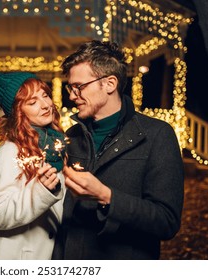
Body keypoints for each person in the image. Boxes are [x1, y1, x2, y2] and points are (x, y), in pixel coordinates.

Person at [52, 40, 184, 260]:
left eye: (79, 87)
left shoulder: (158, 135)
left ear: (110, 83)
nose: (72, 96)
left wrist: (107, 196)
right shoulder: (72, 136)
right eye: (70, 87)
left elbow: (167, 221)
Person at [0, 71, 66, 259]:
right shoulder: (10, 153)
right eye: (32, 102)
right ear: (18, 112)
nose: (45, 105)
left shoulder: (50, 146)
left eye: (45, 95)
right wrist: (40, 190)